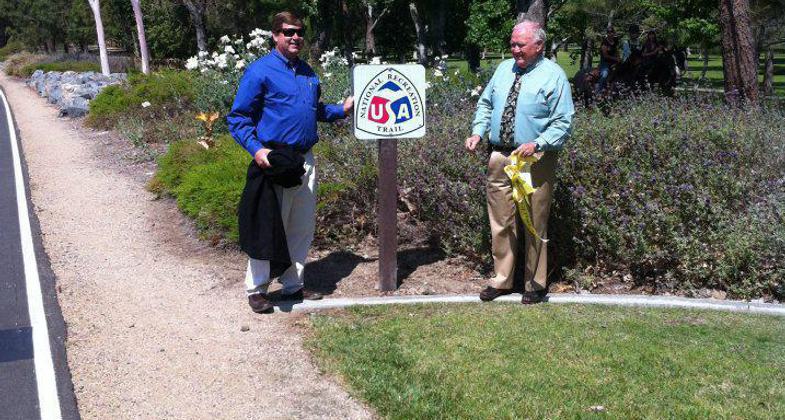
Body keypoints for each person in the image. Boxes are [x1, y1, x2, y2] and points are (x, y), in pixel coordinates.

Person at [227, 11, 354, 314]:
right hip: (274, 162)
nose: (295, 37)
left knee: (301, 226)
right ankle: (256, 289)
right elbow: (238, 118)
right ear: (275, 35)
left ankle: (293, 285)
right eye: (288, 32)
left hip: (304, 160)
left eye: (299, 32)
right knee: (269, 227)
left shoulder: (308, 73)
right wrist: (258, 151)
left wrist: (342, 110)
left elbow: (314, 110)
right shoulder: (260, 71)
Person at [465, 20, 574, 304]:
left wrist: (538, 143)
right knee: (501, 221)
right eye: (512, 44)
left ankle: (534, 285)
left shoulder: (554, 76)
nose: (515, 50)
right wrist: (478, 132)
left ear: (538, 46)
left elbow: (563, 121)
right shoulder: (503, 70)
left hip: (534, 159)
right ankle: (502, 280)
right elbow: (486, 104)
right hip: (500, 156)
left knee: (534, 222)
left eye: (520, 45)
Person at [596, 26, 620, 93]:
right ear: (607, 33)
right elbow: (605, 56)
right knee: (605, 74)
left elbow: (616, 50)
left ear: (614, 33)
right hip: (605, 62)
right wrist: (615, 58)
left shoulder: (615, 41)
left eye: (612, 32)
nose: (610, 34)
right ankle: (598, 90)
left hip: (614, 62)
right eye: (609, 32)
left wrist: (618, 58)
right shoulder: (604, 43)